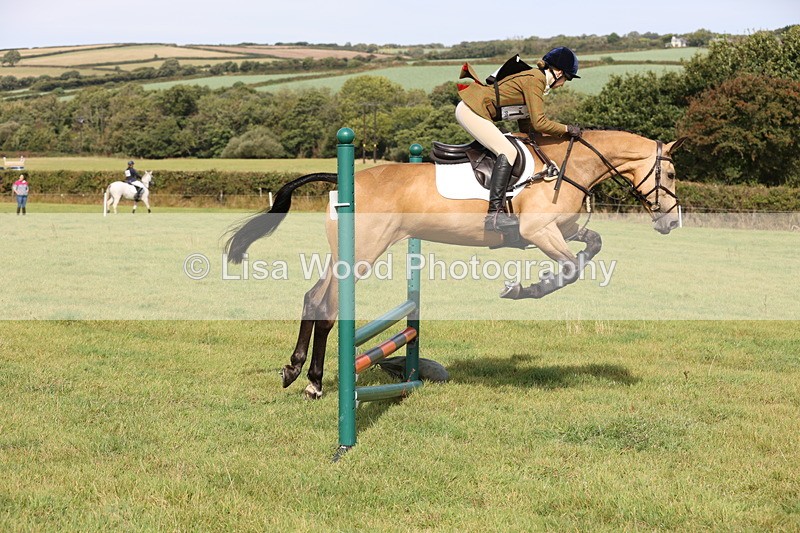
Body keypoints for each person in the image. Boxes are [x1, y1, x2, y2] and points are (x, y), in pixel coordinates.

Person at [456, 47, 582, 236]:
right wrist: (566, 129)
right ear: (557, 72)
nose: (564, 83)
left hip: (477, 111)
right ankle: (494, 214)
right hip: (471, 110)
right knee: (508, 152)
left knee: (517, 147)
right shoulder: (535, 80)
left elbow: (527, 123)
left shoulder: (535, 80)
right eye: (567, 78)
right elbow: (540, 122)